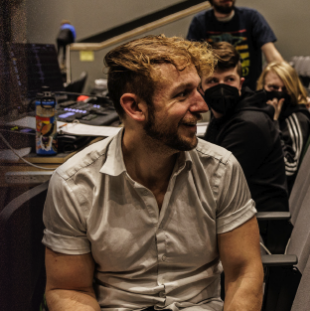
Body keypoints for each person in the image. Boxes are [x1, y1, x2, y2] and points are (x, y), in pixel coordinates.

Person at [42, 36, 263, 311]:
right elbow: (68, 290)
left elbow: (244, 272)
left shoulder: (222, 169)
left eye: (197, 90)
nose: (202, 106)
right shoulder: (73, 184)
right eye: (183, 94)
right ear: (135, 107)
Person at [202, 41, 290, 253]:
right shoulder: (225, 116)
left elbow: (210, 188)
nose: (221, 87)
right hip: (235, 221)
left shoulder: (248, 125)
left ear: (240, 83)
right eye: (213, 81)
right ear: (200, 86)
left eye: (229, 80)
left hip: (258, 234)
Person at [187, 0, 284, 90]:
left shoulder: (251, 17)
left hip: (251, 91)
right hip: (215, 93)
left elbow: (272, 55)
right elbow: (190, 63)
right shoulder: (200, 22)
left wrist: (288, 79)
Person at [256, 61, 310, 189]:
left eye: (285, 89)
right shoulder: (261, 109)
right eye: (273, 88)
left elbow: (289, 168)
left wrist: (273, 123)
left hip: (274, 192)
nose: (279, 93)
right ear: (262, 87)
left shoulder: (297, 118)